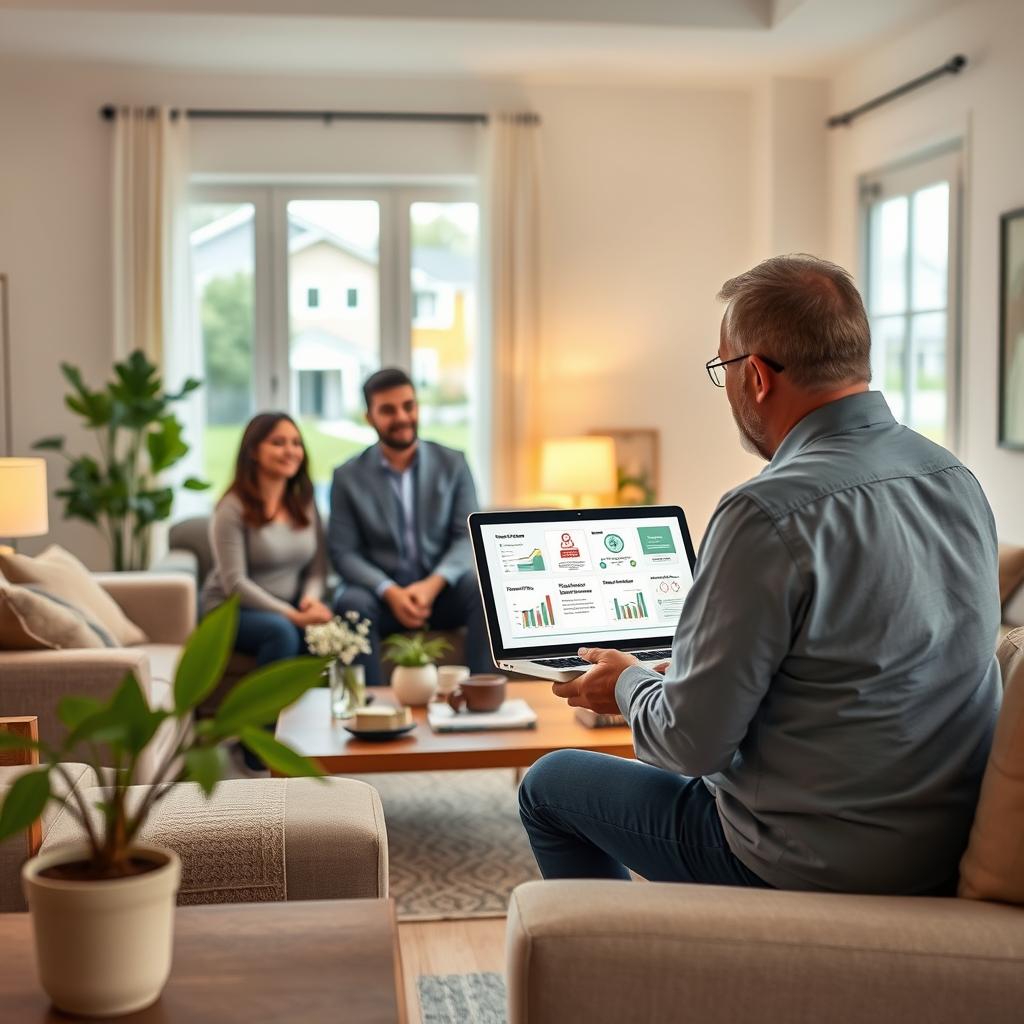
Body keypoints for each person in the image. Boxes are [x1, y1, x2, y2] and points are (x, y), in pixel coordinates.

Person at [519, 254, 1001, 896]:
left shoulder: (764, 512)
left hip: (808, 859)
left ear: (757, 377)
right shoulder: (953, 478)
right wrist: (689, 679)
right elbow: (862, 662)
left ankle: (621, 967)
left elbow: (689, 746)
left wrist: (631, 684)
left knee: (550, 784)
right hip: (941, 841)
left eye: (722, 369)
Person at [328, 368, 493, 685]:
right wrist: (389, 591)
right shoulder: (347, 477)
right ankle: (370, 711)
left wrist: (432, 585)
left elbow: (467, 536)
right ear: (369, 417)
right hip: (382, 597)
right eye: (388, 410)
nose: (402, 417)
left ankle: (480, 699)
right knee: (349, 603)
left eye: (408, 406)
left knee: (481, 588)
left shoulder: (453, 463)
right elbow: (344, 552)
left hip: (440, 592)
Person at [202, 411, 332, 668]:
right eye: (278, 442)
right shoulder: (231, 508)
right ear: (253, 451)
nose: (290, 451)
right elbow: (235, 583)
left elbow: (317, 568)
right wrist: (292, 615)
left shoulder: (304, 502)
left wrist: (310, 601)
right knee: (282, 631)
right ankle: (263, 709)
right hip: (232, 609)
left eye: (296, 443)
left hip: (289, 606)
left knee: (329, 627)